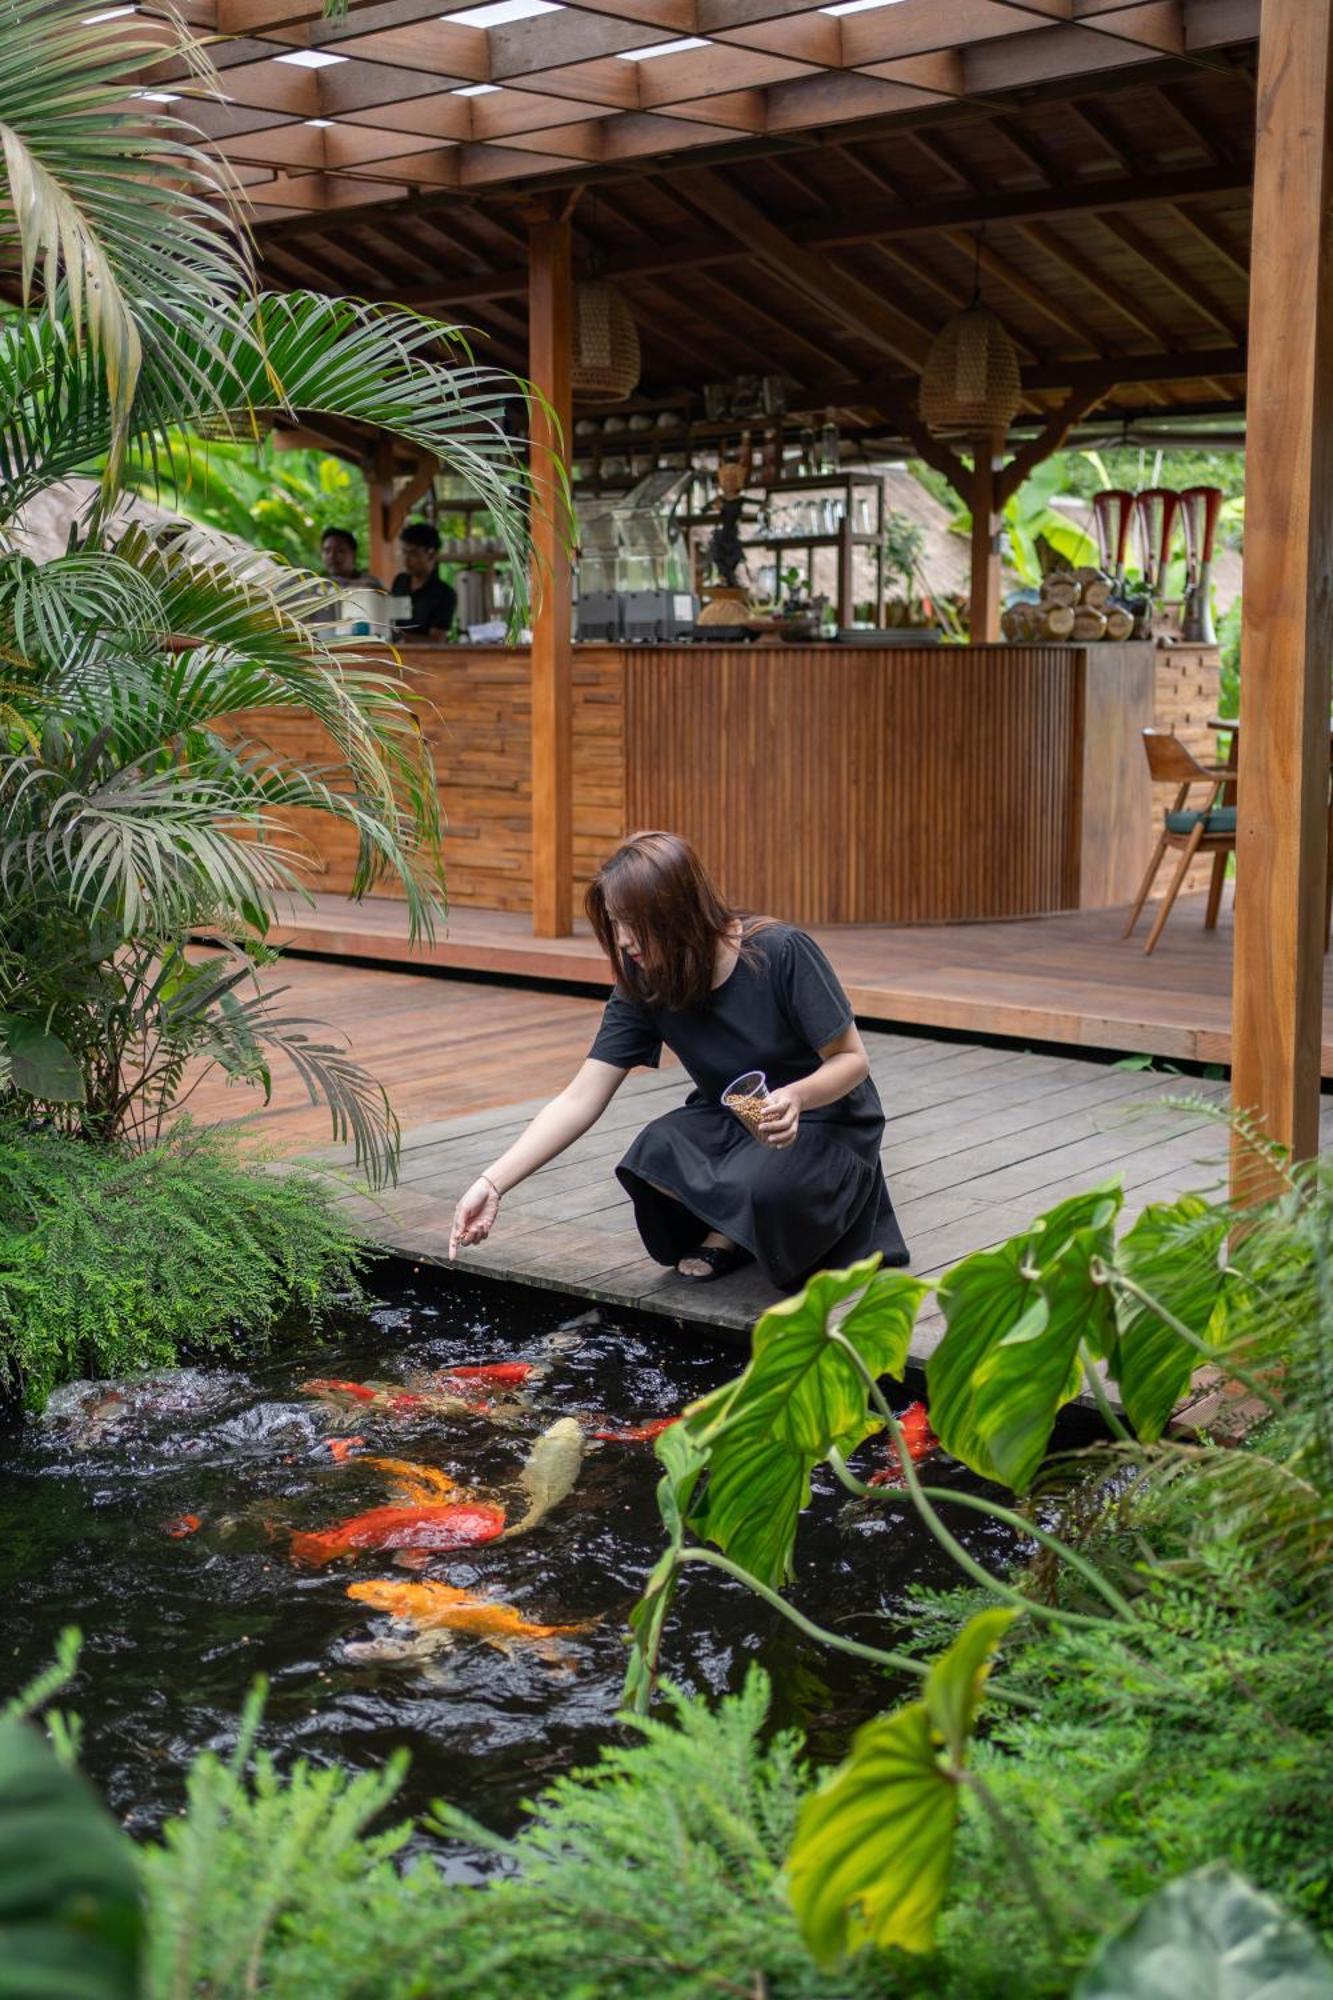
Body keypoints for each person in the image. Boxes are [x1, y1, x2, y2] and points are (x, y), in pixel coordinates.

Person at [449, 831, 908, 1287]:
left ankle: (745, 1229)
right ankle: (738, 1227)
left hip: (824, 1117)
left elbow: (852, 1060)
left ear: (679, 911)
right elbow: (579, 1098)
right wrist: (492, 1184)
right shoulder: (644, 978)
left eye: (637, 923)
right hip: (732, 1117)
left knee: (770, 1188)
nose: (626, 940)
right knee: (655, 1151)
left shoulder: (779, 951)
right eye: (615, 922)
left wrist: (795, 1097)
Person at [391, 521, 457, 639]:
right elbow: (391, 621)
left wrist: (399, 637)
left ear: (431, 554)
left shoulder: (445, 593)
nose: (406, 559)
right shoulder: (400, 581)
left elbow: (437, 641)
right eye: (404, 552)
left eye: (413, 553)